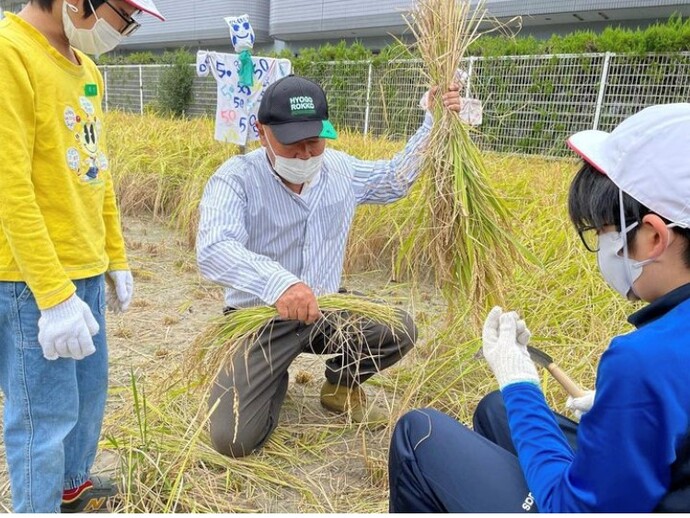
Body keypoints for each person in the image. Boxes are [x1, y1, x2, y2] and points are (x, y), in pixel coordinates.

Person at [387, 103, 690, 512]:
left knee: (418, 432)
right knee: (499, 411)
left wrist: (519, 380)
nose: (602, 247)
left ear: (653, 236)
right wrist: (621, 413)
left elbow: (572, 508)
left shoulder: (644, 361)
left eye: (603, 231)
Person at [196, 74, 465, 457]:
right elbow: (214, 248)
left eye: (314, 141)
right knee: (233, 439)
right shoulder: (237, 178)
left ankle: (341, 383)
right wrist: (280, 284)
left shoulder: (340, 170)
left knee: (398, 328)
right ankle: (272, 377)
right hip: (259, 320)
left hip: (326, 309)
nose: (305, 154)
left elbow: (394, 180)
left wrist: (433, 123)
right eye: (292, 144)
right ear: (262, 132)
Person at [0, 0, 164, 512]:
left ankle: (72, 484)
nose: (125, 27)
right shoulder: (11, 55)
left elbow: (99, 171)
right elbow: (9, 189)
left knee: (88, 397)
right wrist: (52, 295)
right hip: (32, 281)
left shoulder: (87, 66)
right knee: (42, 415)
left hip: (85, 265)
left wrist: (114, 256)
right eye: (124, 13)